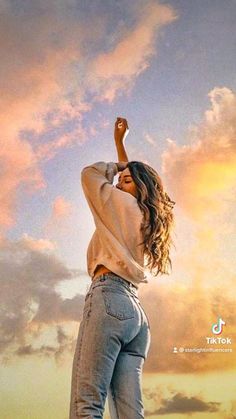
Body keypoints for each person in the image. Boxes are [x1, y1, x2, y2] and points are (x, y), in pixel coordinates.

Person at [69, 117, 175, 419]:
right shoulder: (148, 217)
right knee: (130, 413)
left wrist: (115, 166)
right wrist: (120, 145)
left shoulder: (118, 204)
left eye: (125, 181)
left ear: (138, 188)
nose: (117, 183)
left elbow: (89, 174)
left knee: (86, 404)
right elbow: (130, 183)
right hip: (136, 318)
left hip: (108, 301)